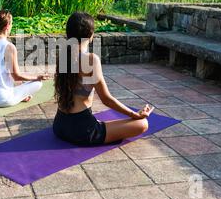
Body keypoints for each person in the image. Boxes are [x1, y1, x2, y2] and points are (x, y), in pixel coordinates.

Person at [53, 12, 154, 145]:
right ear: (91, 35)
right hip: (82, 131)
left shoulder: (64, 55)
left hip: (59, 125)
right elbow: (106, 99)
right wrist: (134, 114)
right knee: (142, 124)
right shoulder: (91, 59)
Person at [0, 9, 49, 107]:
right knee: (38, 83)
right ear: (7, 26)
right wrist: (37, 77)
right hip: (1, 99)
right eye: (12, 23)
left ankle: (19, 94)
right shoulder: (9, 47)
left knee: (25, 82)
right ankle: (20, 97)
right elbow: (16, 77)